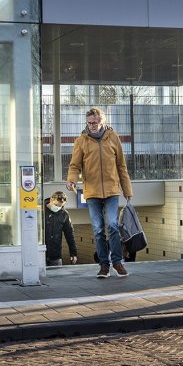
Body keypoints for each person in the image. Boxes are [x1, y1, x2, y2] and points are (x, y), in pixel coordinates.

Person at [67, 106, 133, 278]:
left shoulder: (113, 137)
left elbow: (121, 165)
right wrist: (72, 180)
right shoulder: (81, 141)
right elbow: (75, 165)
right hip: (92, 191)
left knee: (111, 224)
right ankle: (104, 265)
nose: (92, 125)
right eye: (89, 123)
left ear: (102, 121)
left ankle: (117, 262)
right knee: (97, 229)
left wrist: (127, 189)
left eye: (95, 122)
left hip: (112, 189)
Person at [44, 191, 78, 266]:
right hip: (40, 252)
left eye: (60, 206)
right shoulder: (41, 211)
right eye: (56, 205)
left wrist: (73, 253)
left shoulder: (64, 214)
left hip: (56, 254)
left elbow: (70, 234)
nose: (58, 208)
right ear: (51, 200)